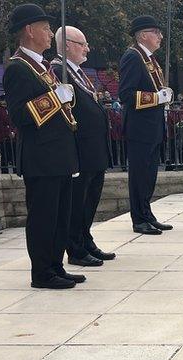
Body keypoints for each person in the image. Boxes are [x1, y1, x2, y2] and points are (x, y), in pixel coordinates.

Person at [3, 3, 84, 289]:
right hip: (41, 156)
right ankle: (42, 272)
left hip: (59, 154)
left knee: (61, 215)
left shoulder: (41, 65)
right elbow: (20, 115)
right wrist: (55, 99)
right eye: (46, 28)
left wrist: (64, 97)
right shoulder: (17, 68)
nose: (51, 34)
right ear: (29, 30)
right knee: (43, 217)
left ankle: (55, 265)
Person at [51, 25, 115, 268]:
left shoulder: (75, 71)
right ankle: (76, 248)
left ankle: (85, 239)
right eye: (82, 44)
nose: (87, 48)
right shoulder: (59, 70)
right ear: (67, 45)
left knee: (90, 198)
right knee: (79, 200)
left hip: (93, 147)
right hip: (80, 147)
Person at [119, 15, 174, 235]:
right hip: (140, 128)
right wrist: (157, 98)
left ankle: (147, 213)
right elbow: (126, 94)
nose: (160, 36)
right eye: (155, 32)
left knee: (150, 174)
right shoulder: (133, 57)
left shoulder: (149, 59)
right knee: (139, 174)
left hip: (152, 127)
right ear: (143, 35)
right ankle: (138, 218)